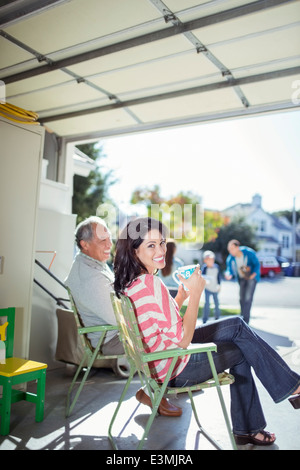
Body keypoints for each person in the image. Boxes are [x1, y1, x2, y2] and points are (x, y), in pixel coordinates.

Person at [113, 217, 300, 446]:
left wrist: (182, 296)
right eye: (151, 245)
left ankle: (286, 391)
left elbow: (162, 325)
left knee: (237, 325)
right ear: (133, 252)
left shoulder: (136, 282)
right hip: (175, 367)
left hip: (159, 362)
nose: (161, 250)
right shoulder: (151, 284)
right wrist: (197, 294)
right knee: (242, 349)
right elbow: (182, 340)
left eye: (161, 242)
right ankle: (255, 422)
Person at [65, 216, 181, 416]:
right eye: (102, 240)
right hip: (108, 337)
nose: (110, 244)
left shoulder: (92, 265)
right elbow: (121, 319)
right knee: (161, 332)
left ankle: (170, 382)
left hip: (115, 330)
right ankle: (168, 384)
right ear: (84, 245)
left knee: (165, 325)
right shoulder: (89, 277)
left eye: (109, 238)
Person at [225, 239, 260, 324]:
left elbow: (257, 264)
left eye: (232, 249)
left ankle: (246, 321)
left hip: (251, 278)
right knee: (241, 298)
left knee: (248, 298)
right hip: (241, 278)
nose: (230, 251)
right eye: (229, 249)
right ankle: (242, 317)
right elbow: (228, 268)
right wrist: (228, 274)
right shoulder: (231, 257)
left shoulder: (249, 252)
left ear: (237, 247)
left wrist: (254, 274)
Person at [201, 250, 221, 324]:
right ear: (205, 260)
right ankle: (205, 319)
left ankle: (217, 318)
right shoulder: (205, 268)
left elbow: (218, 277)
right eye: (208, 260)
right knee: (207, 304)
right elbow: (202, 277)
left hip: (215, 288)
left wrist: (219, 285)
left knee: (216, 303)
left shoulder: (216, 267)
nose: (210, 261)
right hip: (207, 288)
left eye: (212, 259)